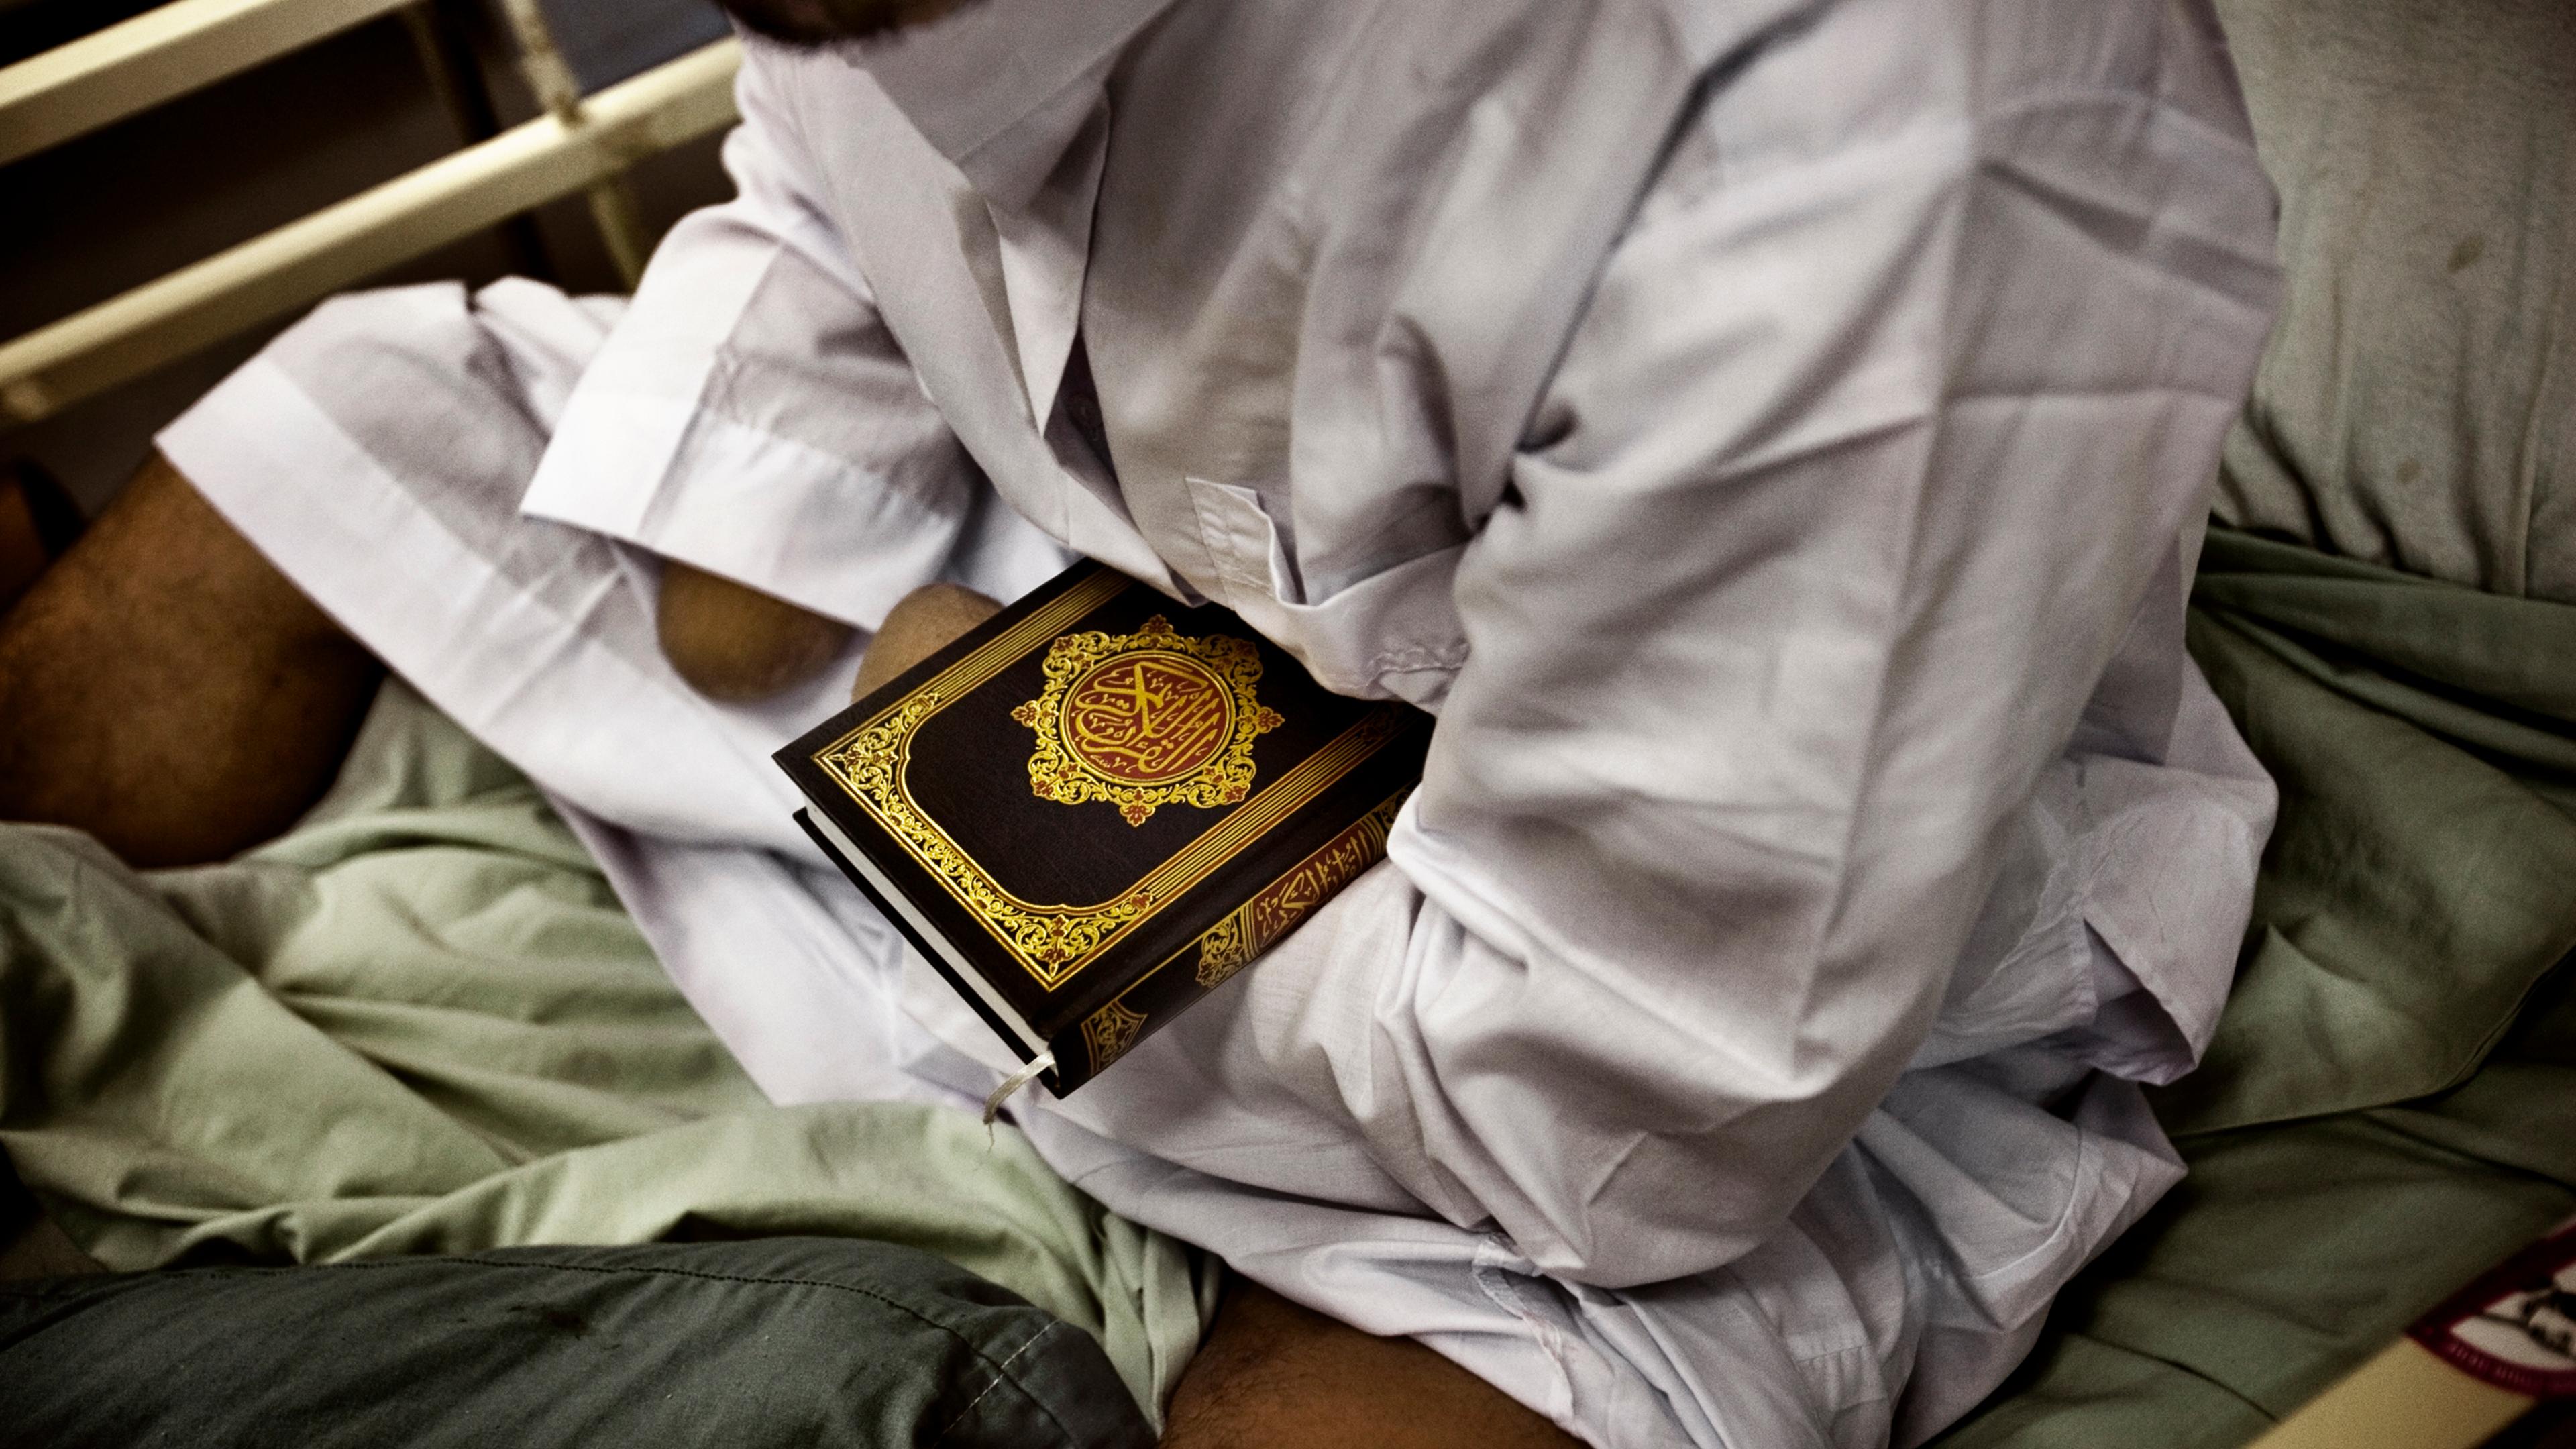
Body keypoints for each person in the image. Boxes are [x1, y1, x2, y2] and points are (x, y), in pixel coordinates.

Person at [0, 0, 2286, 1442]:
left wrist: (972, 769)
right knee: (342, 413)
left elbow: (1624, 1124)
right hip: (989, 598)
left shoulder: (1873, 114)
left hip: (1658, 1048)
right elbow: (823, 188)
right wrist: (783, 525)